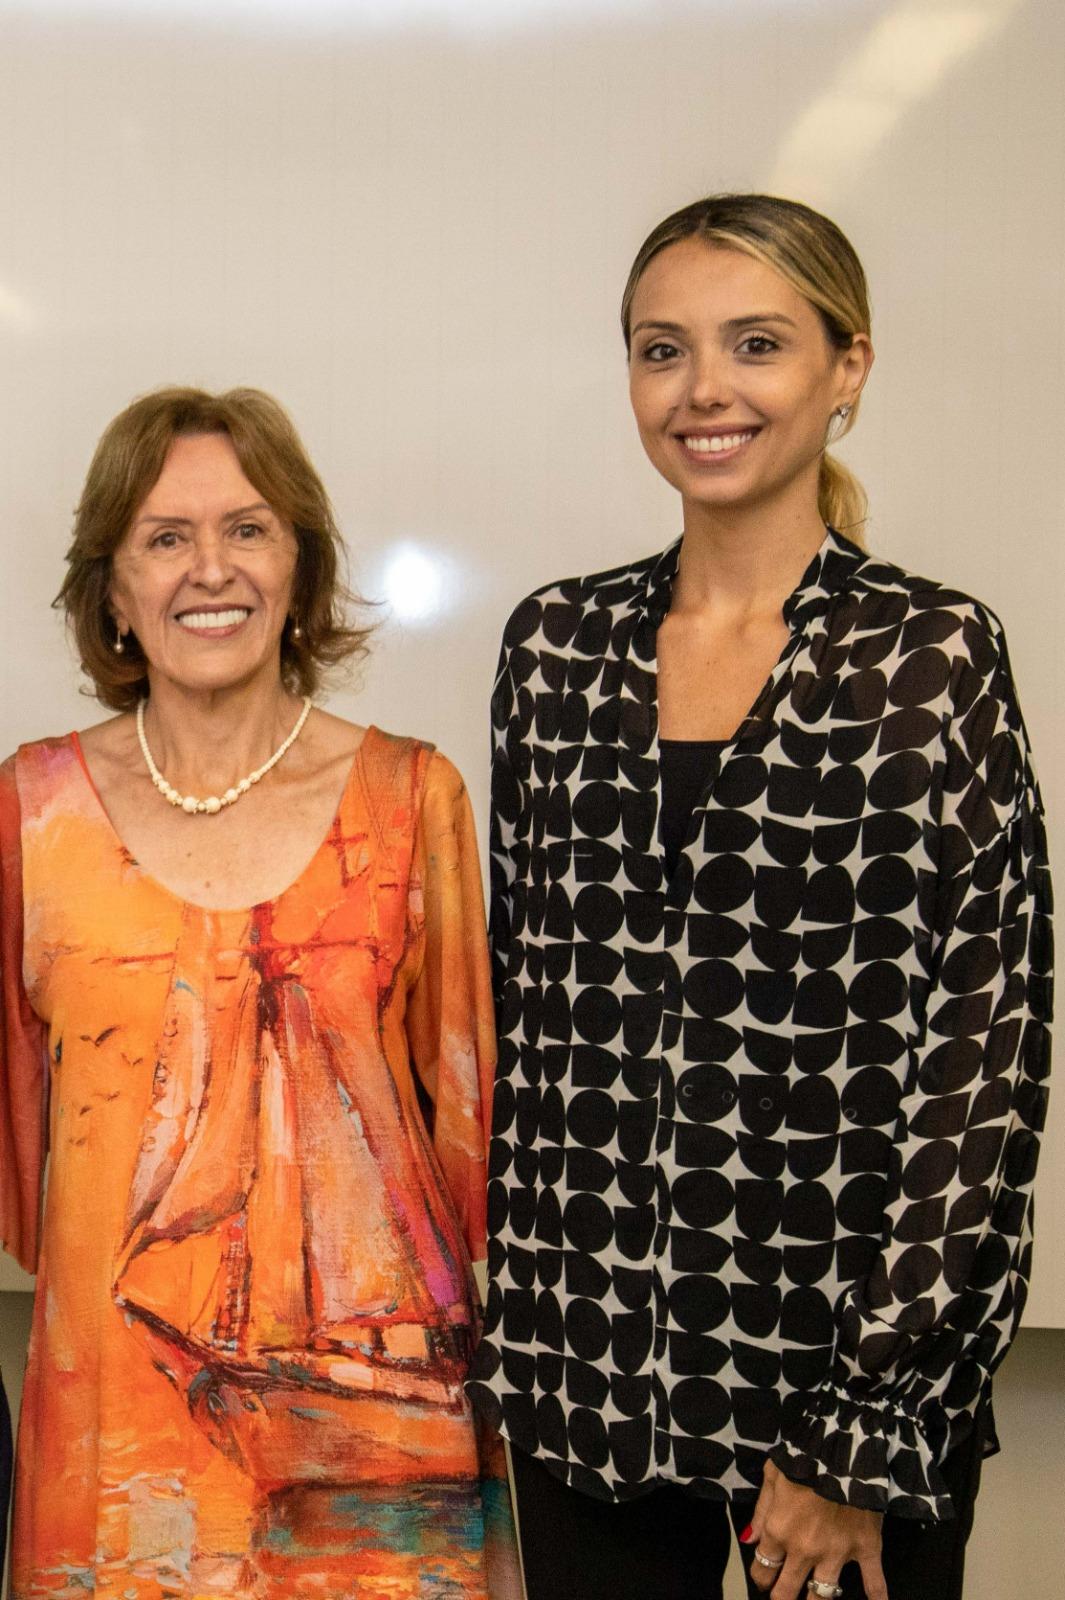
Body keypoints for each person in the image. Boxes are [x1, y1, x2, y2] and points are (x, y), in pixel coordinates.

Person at [467, 194, 1052, 1600]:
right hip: (585, 1378)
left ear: (846, 367)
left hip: (840, 1390)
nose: (704, 390)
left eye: (756, 344)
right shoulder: (555, 647)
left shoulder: (929, 655)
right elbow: (529, 1025)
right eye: (661, 350)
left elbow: (985, 1066)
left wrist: (858, 1431)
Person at [0, 387, 519, 1598]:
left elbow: (467, 1152)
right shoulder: (29, 816)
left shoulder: (411, 800)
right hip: (110, 1455)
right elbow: (27, 1175)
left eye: (248, 527)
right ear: (113, 590)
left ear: (302, 566)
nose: (209, 569)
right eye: (164, 536)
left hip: (382, 1470)